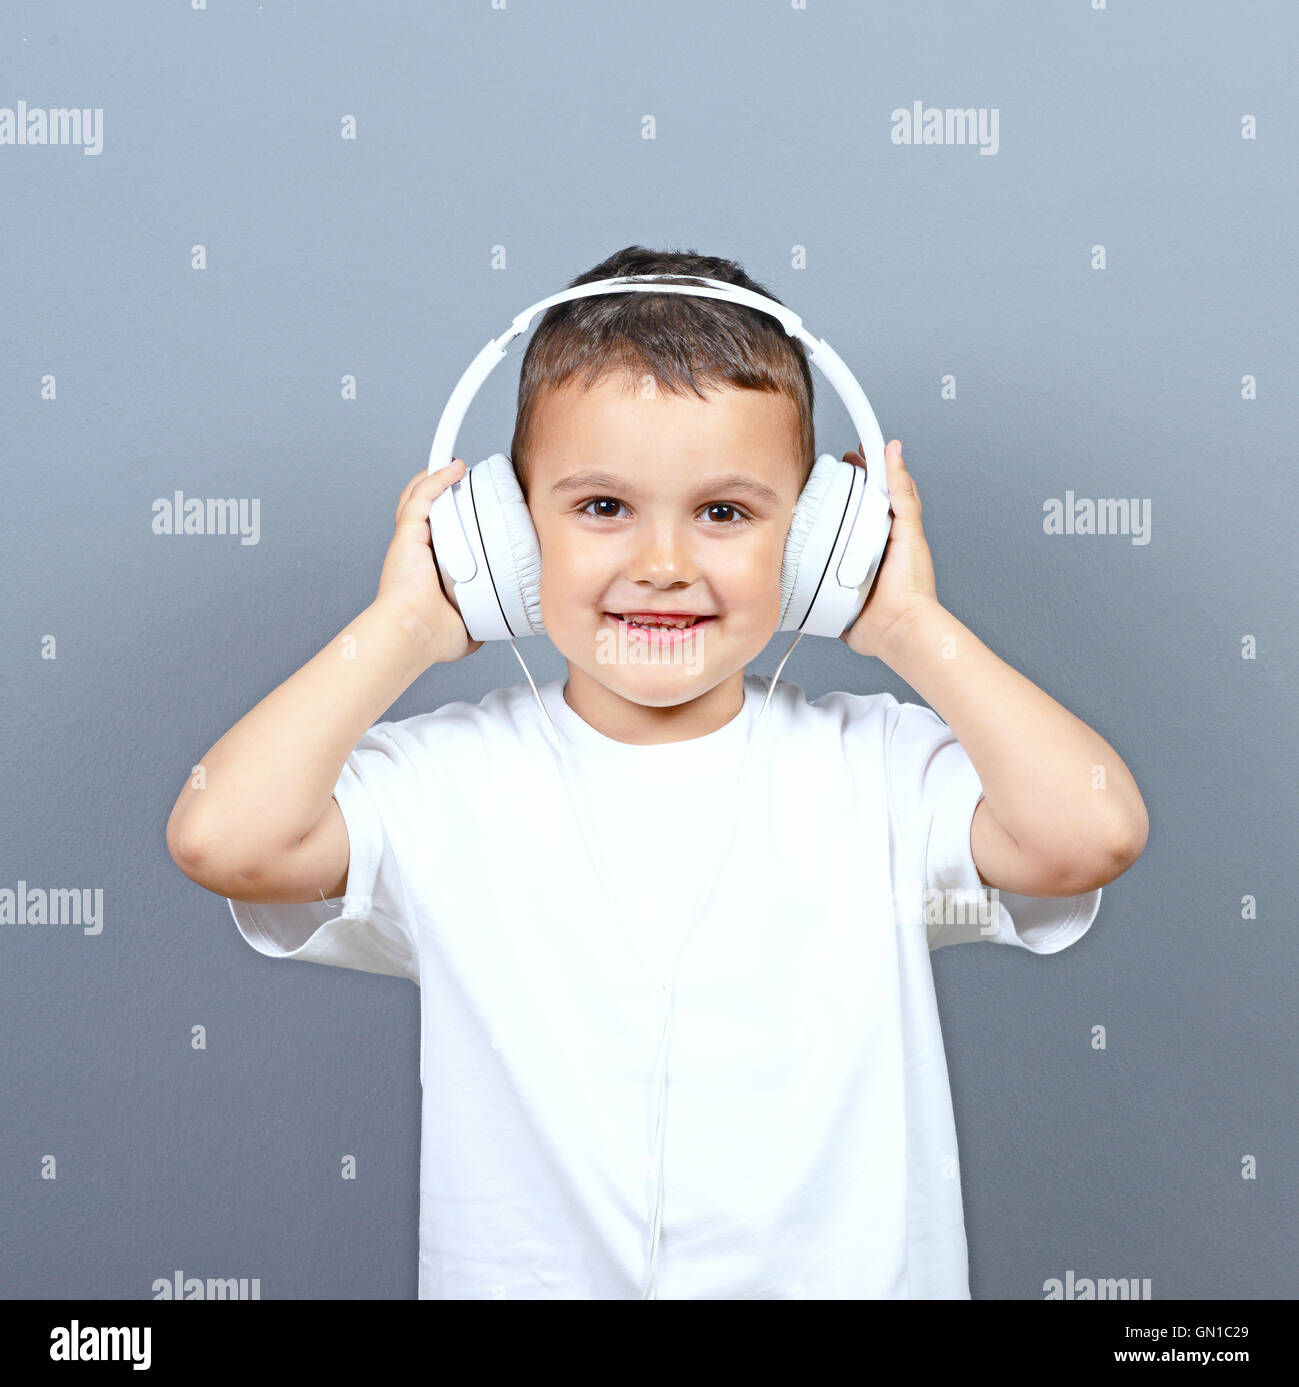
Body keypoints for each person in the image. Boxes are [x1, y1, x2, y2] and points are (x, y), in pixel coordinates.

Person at [165, 245, 1148, 1300]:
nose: (664, 563)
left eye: (726, 512)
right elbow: (227, 837)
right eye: (601, 509)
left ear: (822, 543)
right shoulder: (447, 784)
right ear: (500, 533)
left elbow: (1087, 833)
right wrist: (404, 625)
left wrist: (908, 622)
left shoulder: (883, 772)